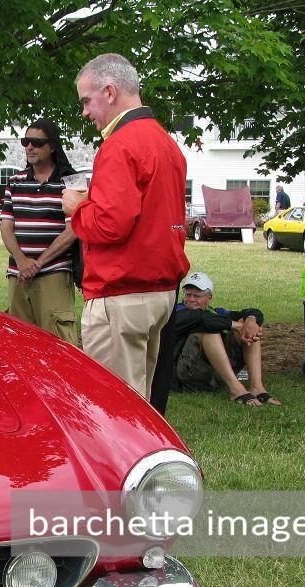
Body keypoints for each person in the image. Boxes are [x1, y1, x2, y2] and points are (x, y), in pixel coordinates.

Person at [62, 53, 189, 400]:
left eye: (87, 101)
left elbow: (108, 226)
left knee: (116, 409)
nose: (86, 111)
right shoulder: (165, 141)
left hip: (122, 293)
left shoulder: (120, 144)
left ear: (110, 91)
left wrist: (77, 208)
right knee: (142, 403)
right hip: (159, 290)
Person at [0, 117, 80, 345]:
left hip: (53, 273)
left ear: (52, 146)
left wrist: (38, 263)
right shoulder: (14, 181)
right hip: (18, 276)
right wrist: (21, 260)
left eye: (36, 142)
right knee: (20, 344)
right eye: (26, 142)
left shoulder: (72, 182)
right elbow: (6, 227)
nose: (30, 147)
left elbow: (74, 229)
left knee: (59, 342)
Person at [173, 272, 281, 406]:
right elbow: (200, 319)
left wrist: (251, 322)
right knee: (210, 331)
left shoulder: (216, 312)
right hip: (187, 376)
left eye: (197, 295)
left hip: (215, 375)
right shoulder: (177, 312)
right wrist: (238, 325)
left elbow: (252, 312)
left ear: (209, 298)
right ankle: (236, 390)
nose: (191, 299)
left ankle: (257, 387)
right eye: (188, 294)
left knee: (249, 327)